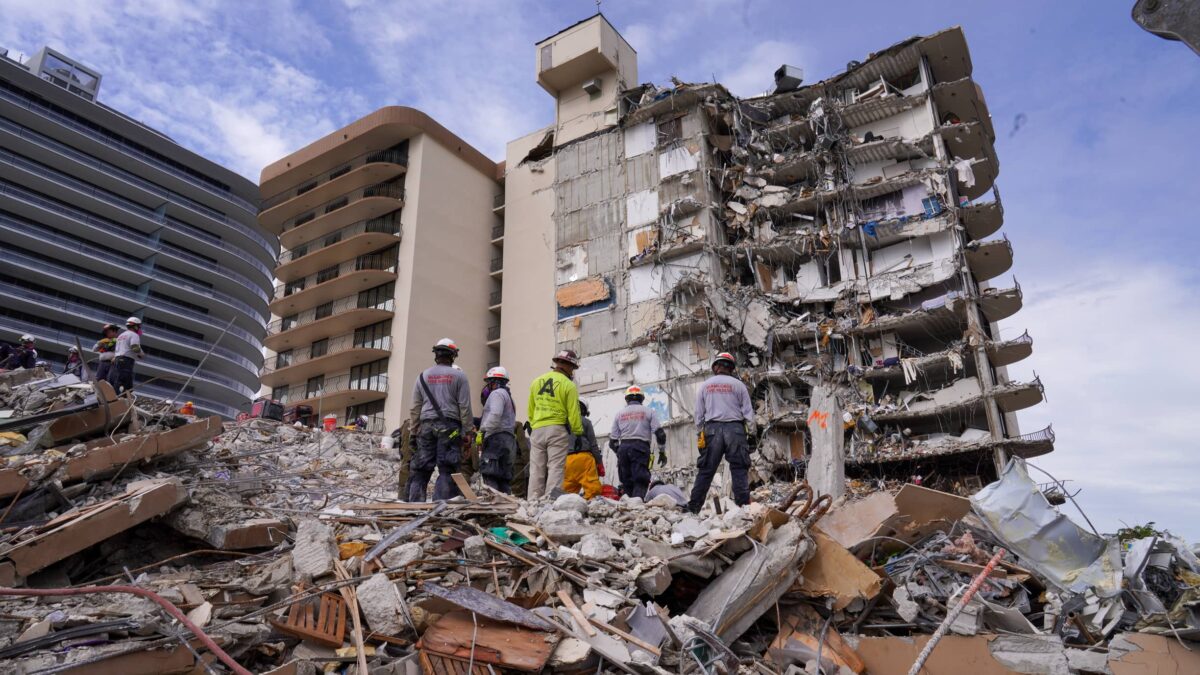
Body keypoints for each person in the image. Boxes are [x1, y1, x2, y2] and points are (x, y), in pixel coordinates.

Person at [687, 352, 755, 514]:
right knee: (739, 469)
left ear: (715, 367)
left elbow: (698, 415)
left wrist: (700, 433)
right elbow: (748, 413)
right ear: (731, 368)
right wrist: (752, 434)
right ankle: (744, 509)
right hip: (735, 430)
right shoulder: (739, 386)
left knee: (706, 471)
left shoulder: (705, 385)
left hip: (712, 430)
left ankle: (693, 508)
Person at [407, 338, 473, 501]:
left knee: (421, 469)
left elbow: (415, 408)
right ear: (453, 356)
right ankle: (440, 509)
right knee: (447, 469)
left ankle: (414, 507)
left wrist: (414, 433)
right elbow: (464, 407)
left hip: (426, 427)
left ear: (436, 355)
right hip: (450, 429)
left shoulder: (422, 377)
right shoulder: (460, 377)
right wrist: (467, 433)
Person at [526, 350, 583, 499]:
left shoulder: (536, 382)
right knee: (555, 468)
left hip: (537, 429)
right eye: (573, 368)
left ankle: (533, 501)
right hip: (557, 429)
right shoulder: (568, 385)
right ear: (569, 366)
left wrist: (534, 424)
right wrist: (577, 433)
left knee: (536, 469)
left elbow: (531, 409)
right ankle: (550, 501)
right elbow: (574, 412)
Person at [609, 385, 666, 500]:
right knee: (641, 480)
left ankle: (629, 508)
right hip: (640, 447)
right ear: (642, 399)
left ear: (627, 399)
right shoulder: (649, 411)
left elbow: (612, 441)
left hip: (623, 448)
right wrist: (662, 452)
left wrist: (620, 453)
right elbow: (660, 434)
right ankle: (637, 508)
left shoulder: (619, 414)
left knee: (626, 481)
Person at [477, 366, 516, 494]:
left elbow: (495, 414)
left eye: (489, 383)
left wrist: (482, 431)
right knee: (504, 478)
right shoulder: (509, 397)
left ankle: (492, 505)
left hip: (496, 439)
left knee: (490, 474)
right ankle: (505, 506)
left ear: (494, 382)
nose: (487, 386)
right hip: (509, 440)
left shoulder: (496, 394)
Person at [564, 401, 603, 499]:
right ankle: (590, 508)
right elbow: (593, 445)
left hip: (567, 460)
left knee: (568, 492)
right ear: (584, 410)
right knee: (592, 491)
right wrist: (599, 463)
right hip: (584, 459)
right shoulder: (586, 422)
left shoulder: (564, 422)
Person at [107, 317, 144, 394]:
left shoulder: (121, 335)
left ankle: (118, 397)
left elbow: (118, 349)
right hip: (126, 361)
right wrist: (141, 354)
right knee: (124, 381)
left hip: (117, 359)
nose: (139, 329)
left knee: (119, 380)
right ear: (136, 326)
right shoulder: (134, 335)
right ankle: (120, 400)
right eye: (139, 326)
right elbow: (135, 347)